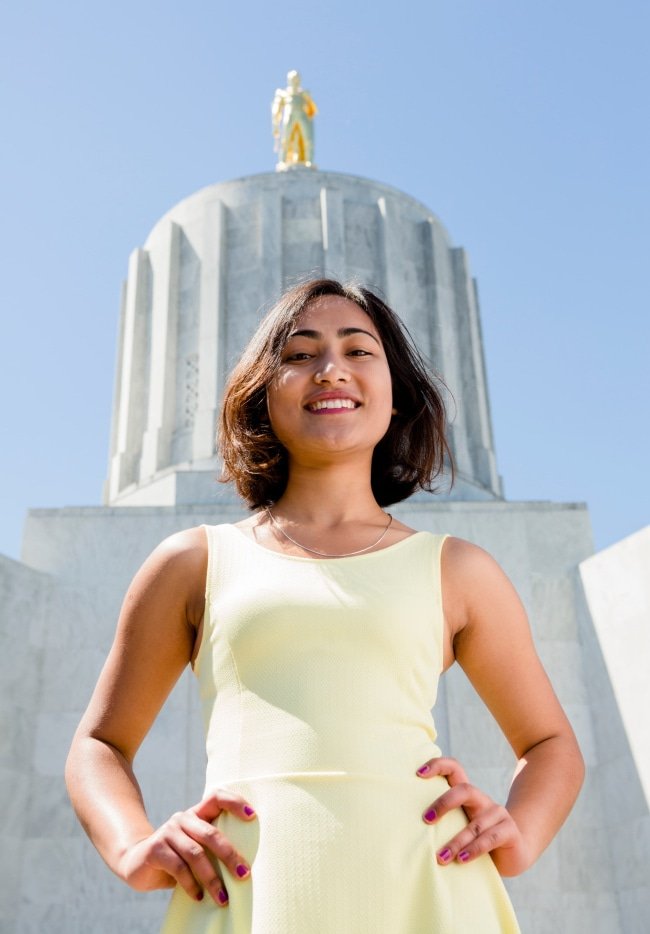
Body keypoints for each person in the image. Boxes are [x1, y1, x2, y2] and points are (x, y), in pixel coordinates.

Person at [66, 278, 584, 933]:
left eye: (358, 351)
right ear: (262, 391)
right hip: (249, 889)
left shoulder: (459, 569)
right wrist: (131, 846)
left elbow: (551, 743)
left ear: (394, 394)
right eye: (300, 353)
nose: (331, 369)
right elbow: (100, 744)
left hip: (428, 886)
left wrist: (520, 834)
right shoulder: (192, 561)